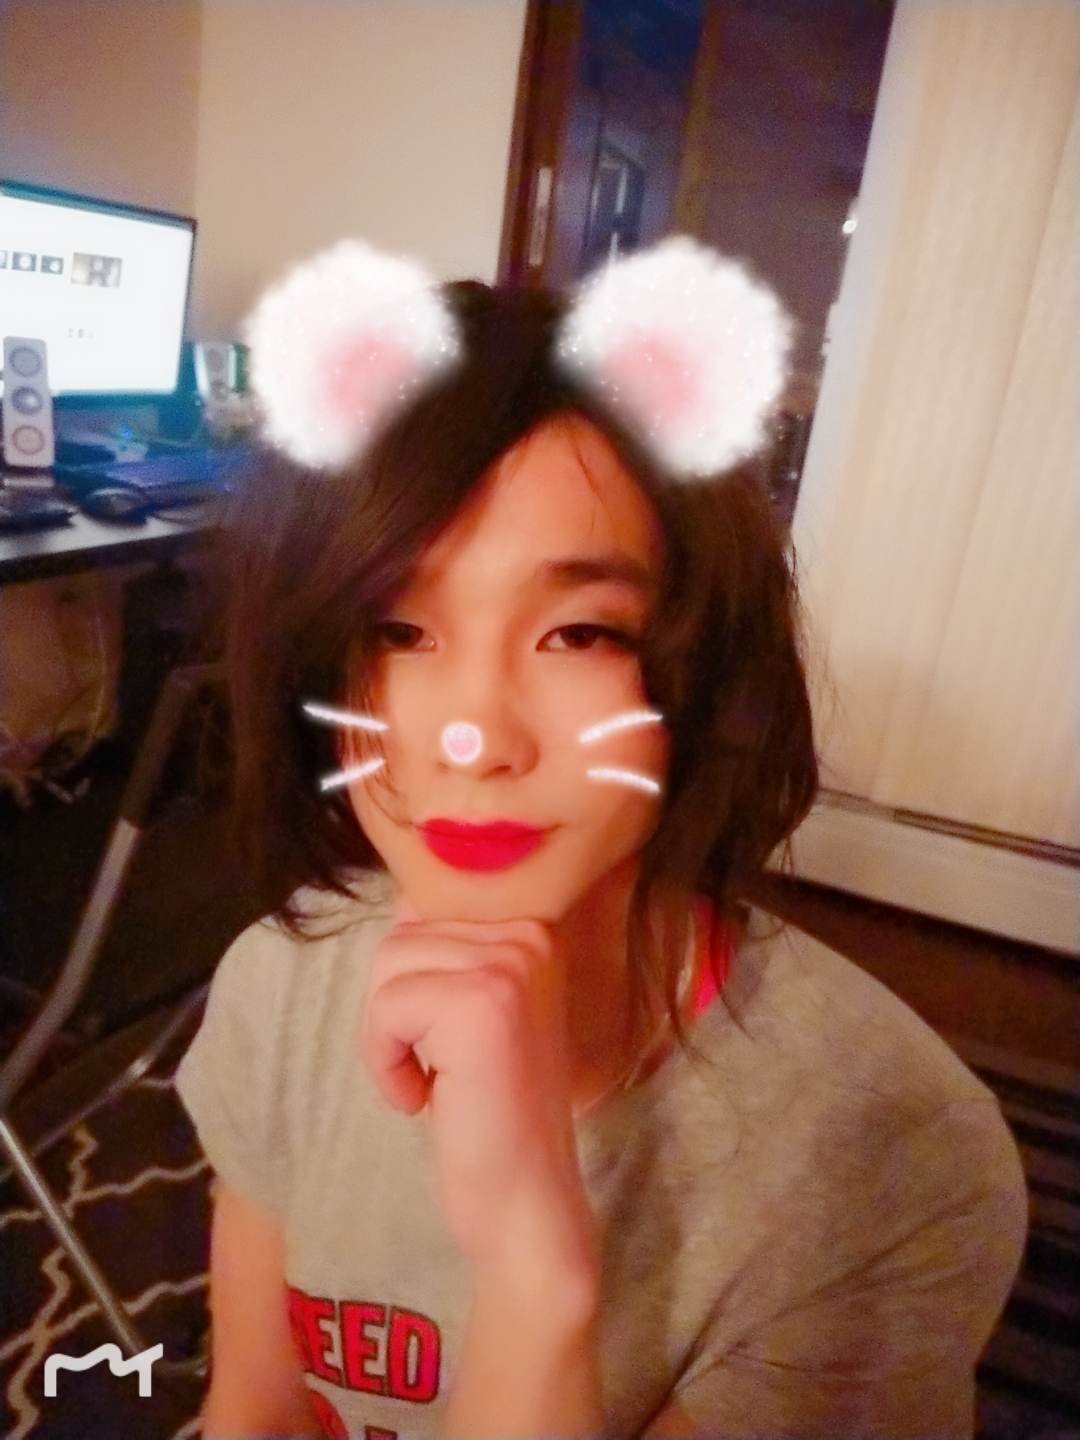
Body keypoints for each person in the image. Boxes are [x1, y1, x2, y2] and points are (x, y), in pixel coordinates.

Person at [175, 238, 1028, 1439]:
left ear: (700, 669)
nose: (474, 740)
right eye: (398, 633)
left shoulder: (886, 1153)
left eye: (578, 633)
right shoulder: (282, 983)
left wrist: (535, 1274)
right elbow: (255, 1413)